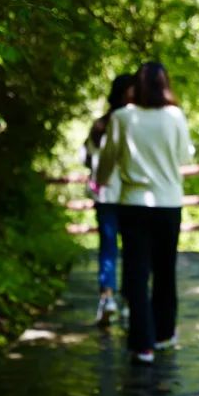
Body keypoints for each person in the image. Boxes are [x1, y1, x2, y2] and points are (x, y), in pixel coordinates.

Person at [97, 62, 192, 364]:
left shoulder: (123, 117)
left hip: (133, 204)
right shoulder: (175, 116)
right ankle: (164, 334)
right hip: (169, 204)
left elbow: (108, 157)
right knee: (165, 270)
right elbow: (184, 156)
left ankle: (142, 344)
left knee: (137, 273)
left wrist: (100, 181)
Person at [84, 74, 135, 327]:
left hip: (106, 194)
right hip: (128, 194)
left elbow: (88, 157)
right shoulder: (133, 122)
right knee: (131, 248)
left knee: (108, 247)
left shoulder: (100, 125)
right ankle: (126, 300)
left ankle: (108, 298)